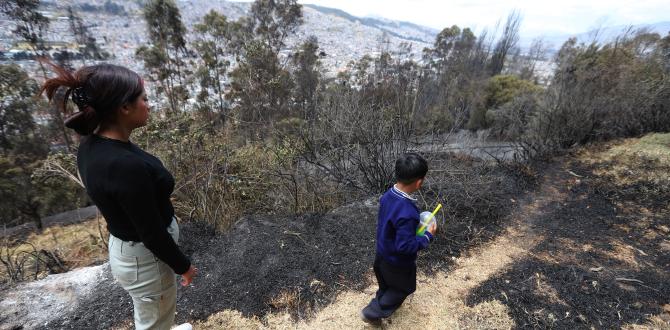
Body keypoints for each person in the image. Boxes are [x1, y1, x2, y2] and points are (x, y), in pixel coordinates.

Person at [41, 63, 196, 330]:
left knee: (154, 311)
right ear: (124, 108)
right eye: (144, 99)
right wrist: (184, 266)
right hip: (147, 257)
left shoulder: (92, 145)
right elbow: (151, 233)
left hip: (131, 252)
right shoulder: (124, 165)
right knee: (153, 320)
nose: (149, 105)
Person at [361, 153, 437, 326]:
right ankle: (372, 312)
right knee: (403, 288)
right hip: (397, 263)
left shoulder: (388, 195)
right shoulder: (408, 212)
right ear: (419, 182)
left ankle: (379, 303)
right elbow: (405, 246)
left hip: (381, 254)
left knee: (386, 285)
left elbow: (393, 223)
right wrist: (427, 236)